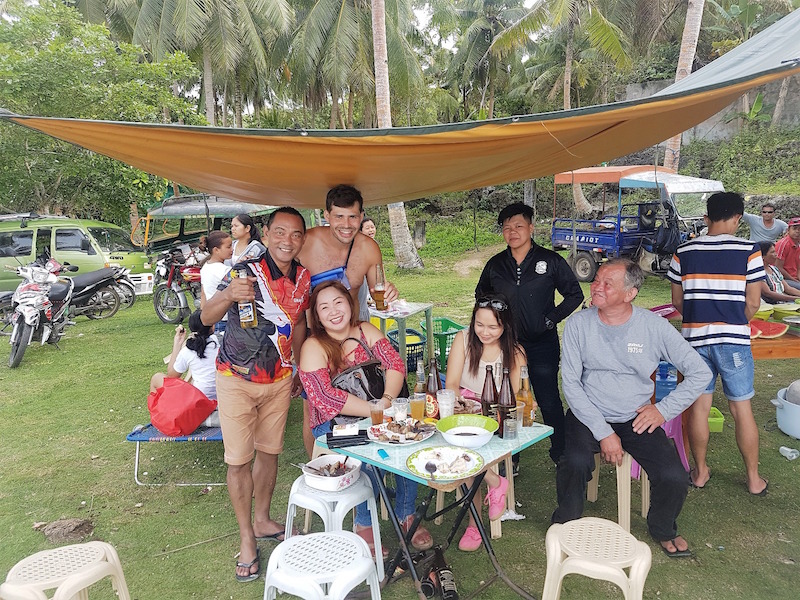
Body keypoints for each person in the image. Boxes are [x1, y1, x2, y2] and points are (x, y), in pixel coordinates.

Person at [554, 259, 710, 557]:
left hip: (635, 417)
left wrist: (662, 410)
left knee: (674, 476)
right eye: (596, 279)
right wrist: (603, 433)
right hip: (589, 412)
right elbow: (571, 385)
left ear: (630, 293)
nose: (596, 287)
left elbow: (699, 373)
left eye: (607, 283)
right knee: (573, 462)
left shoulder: (654, 327)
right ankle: (566, 523)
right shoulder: (578, 324)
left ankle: (663, 528)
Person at [200, 206, 310, 582]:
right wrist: (230, 294)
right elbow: (205, 316)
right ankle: (246, 538)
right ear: (266, 232)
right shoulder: (245, 268)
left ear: (302, 240)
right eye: (280, 232)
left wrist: (297, 368)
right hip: (236, 376)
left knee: (270, 453)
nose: (287, 241)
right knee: (238, 461)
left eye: (296, 234)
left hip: (279, 379)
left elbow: (297, 325)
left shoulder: (303, 278)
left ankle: (262, 520)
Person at [298, 281, 433, 556]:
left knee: (409, 440)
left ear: (349, 304)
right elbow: (326, 398)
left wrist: (385, 402)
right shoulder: (313, 346)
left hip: (380, 410)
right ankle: (364, 524)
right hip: (333, 424)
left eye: (338, 302)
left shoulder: (365, 330)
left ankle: (407, 514)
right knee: (369, 453)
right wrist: (375, 413)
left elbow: (395, 364)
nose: (334, 311)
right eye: (324, 307)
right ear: (317, 317)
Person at [669, 192, 768, 496]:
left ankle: (699, 473)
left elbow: (677, 302)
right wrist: (736, 323)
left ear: (706, 218)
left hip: (694, 341)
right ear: (738, 218)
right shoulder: (749, 250)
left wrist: (700, 319)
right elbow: (753, 302)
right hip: (734, 341)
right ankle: (753, 479)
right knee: (742, 409)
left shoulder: (683, 251)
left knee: (699, 409)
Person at [476, 202, 583, 464]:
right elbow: (481, 295)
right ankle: (510, 457)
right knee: (507, 399)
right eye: (507, 228)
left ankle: (560, 453)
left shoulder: (551, 260)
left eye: (518, 226)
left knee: (548, 399)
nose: (512, 232)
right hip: (507, 345)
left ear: (531, 228)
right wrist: (496, 317)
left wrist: (550, 320)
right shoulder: (496, 265)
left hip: (542, 344)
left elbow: (574, 295)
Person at [296, 185, 398, 456]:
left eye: (353, 217)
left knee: (364, 393)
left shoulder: (369, 249)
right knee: (315, 407)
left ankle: (373, 457)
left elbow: (380, 298)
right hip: (314, 337)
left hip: (355, 334)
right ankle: (320, 465)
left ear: (362, 215)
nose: (346, 224)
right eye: (339, 216)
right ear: (326, 214)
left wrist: (389, 294)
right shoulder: (306, 243)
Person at [445, 295, 528, 551]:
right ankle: (493, 481)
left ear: (505, 326)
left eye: (493, 327)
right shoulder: (463, 339)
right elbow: (451, 385)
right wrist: (465, 406)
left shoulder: (515, 352)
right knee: (462, 445)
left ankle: (474, 524)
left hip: (496, 421)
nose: (484, 332)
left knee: (469, 450)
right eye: (480, 324)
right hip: (463, 412)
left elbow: (511, 400)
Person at [150, 310, 220, 406]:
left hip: (200, 399)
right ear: (212, 326)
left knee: (156, 378)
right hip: (222, 394)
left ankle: (159, 416)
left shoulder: (188, 350)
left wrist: (177, 343)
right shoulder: (221, 342)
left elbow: (172, 375)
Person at [199, 231, 233, 333]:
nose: (232, 249)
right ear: (216, 250)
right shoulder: (224, 271)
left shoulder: (205, 267)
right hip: (226, 319)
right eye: (228, 247)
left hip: (214, 318)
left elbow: (203, 294)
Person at [357, 217, 378, 322]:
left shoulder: (374, 245)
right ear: (360, 231)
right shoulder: (359, 247)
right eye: (367, 228)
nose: (371, 230)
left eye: (372, 227)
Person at [774, 217, 800, 291]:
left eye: (799, 229)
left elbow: (798, 268)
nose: (797, 231)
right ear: (788, 230)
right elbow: (778, 267)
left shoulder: (798, 245)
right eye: (794, 228)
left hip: (794, 277)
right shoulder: (783, 244)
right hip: (783, 279)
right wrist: (794, 280)